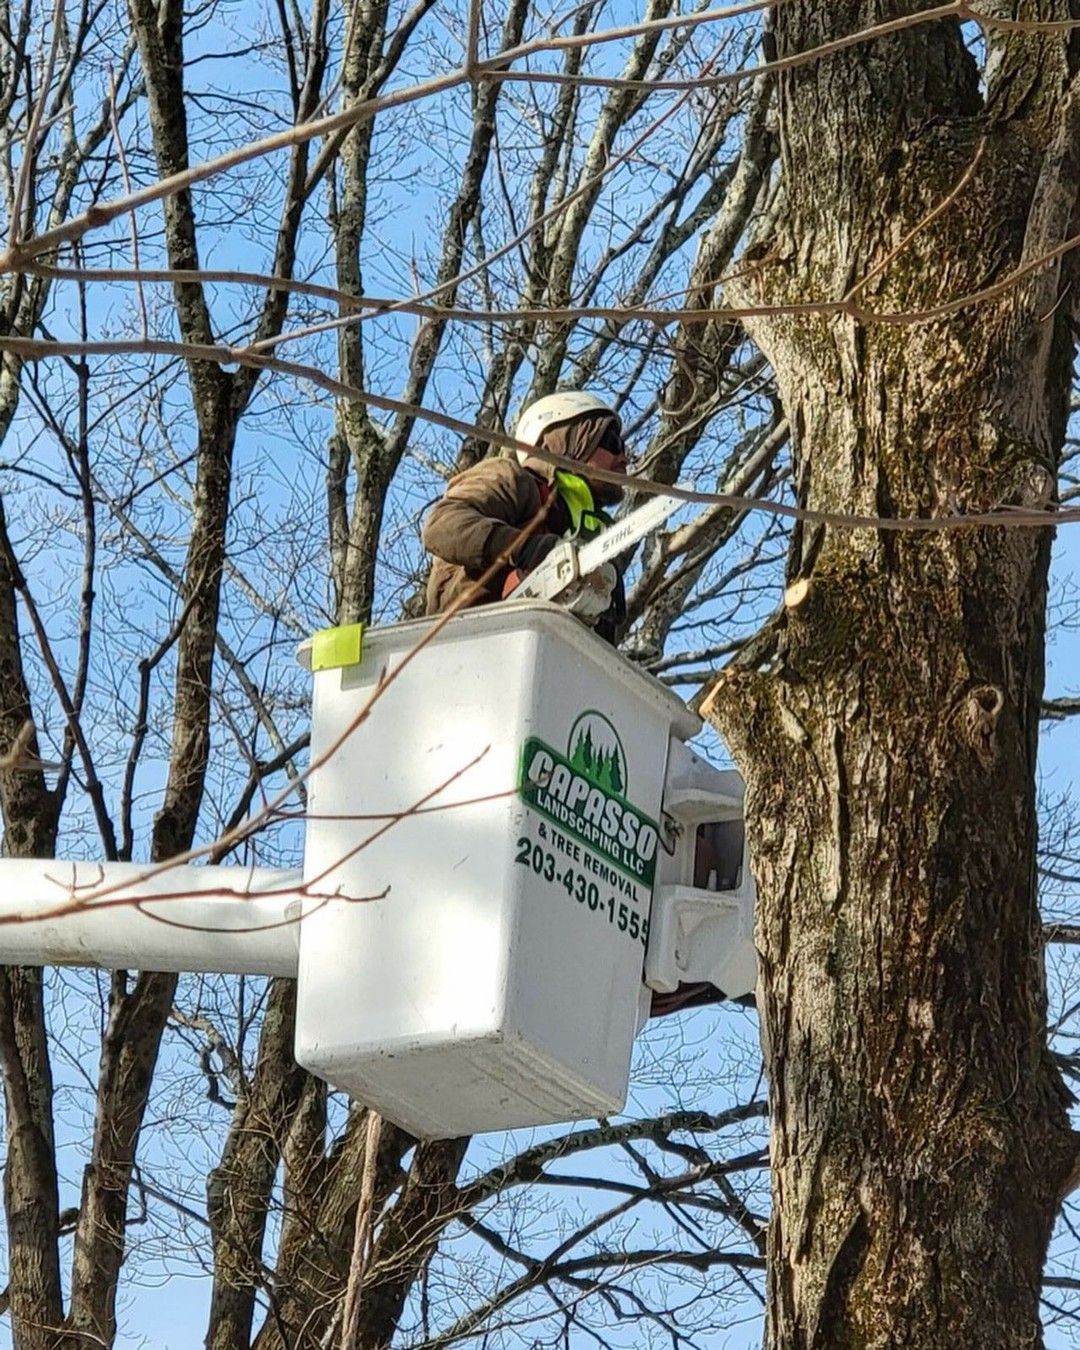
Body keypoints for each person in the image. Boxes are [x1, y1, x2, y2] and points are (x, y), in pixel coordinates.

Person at [422, 391, 630, 643]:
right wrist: (526, 549)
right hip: (466, 644)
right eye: (611, 441)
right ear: (565, 441)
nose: (624, 457)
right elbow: (443, 525)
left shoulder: (580, 524)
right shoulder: (513, 479)